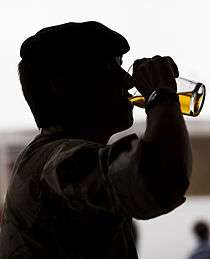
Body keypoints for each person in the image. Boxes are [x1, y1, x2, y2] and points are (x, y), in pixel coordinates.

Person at [0, 21, 192, 259]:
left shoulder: (43, 157)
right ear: (63, 85)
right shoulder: (58, 162)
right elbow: (161, 182)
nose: (129, 81)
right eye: (111, 67)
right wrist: (161, 95)